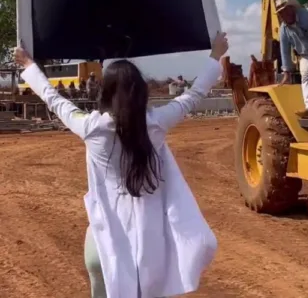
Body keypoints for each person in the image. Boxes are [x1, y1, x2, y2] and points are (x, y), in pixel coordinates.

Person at [13, 31, 229, 298]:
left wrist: (28, 65)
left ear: (105, 92)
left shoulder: (90, 127)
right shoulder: (156, 123)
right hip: (150, 250)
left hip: (103, 248)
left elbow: (53, 99)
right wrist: (216, 54)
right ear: (141, 91)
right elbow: (193, 95)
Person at [276, 0, 308, 118]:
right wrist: (286, 72)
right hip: (306, 55)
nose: (285, 14)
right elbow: (285, 50)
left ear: (292, 9)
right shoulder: (283, 30)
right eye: (281, 13)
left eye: (286, 10)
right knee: (306, 76)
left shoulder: (305, 13)